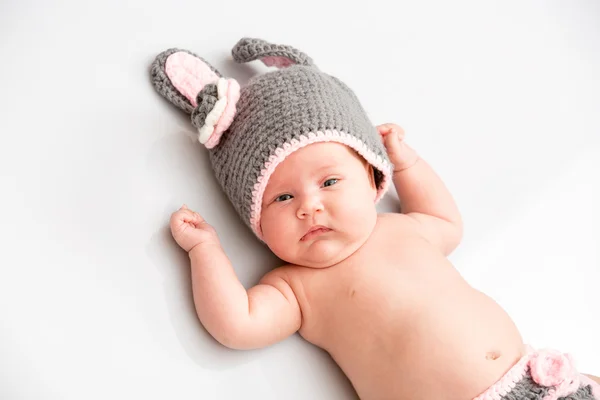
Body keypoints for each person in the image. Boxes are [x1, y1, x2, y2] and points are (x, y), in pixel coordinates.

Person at [152, 37, 600, 400]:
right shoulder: (295, 289)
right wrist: (205, 251)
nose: (309, 206)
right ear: (258, 225)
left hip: (545, 383)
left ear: (372, 180)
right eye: (283, 197)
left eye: (329, 183)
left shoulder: (404, 229)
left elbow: (445, 221)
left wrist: (407, 164)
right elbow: (238, 325)